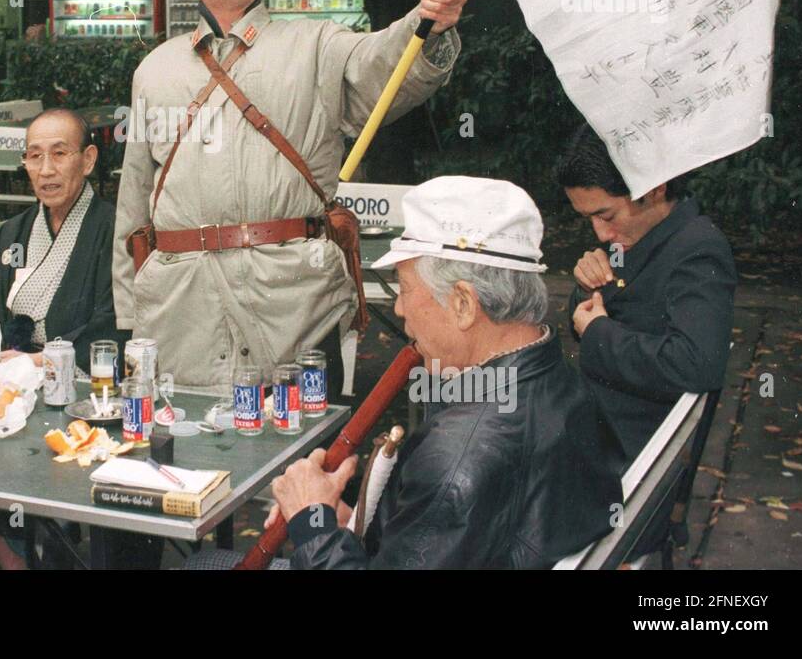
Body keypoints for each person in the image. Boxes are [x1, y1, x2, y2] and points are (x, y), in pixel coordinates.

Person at [113, 0, 466, 394]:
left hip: (295, 306)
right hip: (181, 313)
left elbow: (381, 62)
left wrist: (423, 23)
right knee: (189, 451)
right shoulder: (154, 71)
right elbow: (133, 205)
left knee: (297, 455)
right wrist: (129, 317)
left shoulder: (316, 43)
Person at [209, 177, 622, 570]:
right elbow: (442, 538)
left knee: (199, 562)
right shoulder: (557, 381)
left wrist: (311, 522)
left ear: (462, 303)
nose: (400, 309)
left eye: (404, 288)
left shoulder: (461, 455)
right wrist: (345, 523)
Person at [557, 123, 737, 462]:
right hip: (597, 426)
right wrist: (586, 289)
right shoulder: (640, 236)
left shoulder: (697, 248)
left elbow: (696, 365)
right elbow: (606, 311)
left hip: (627, 450)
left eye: (605, 215)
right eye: (588, 219)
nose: (600, 234)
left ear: (654, 189)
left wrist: (598, 331)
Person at [0, 108, 129, 365]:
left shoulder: (114, 231)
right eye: (35, 156)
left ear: (88, 160)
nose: (46, 169)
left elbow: (115, 327)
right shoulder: (12, 233)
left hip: (78, 383)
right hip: (5, 374)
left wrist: (39, 361)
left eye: (59, 153)